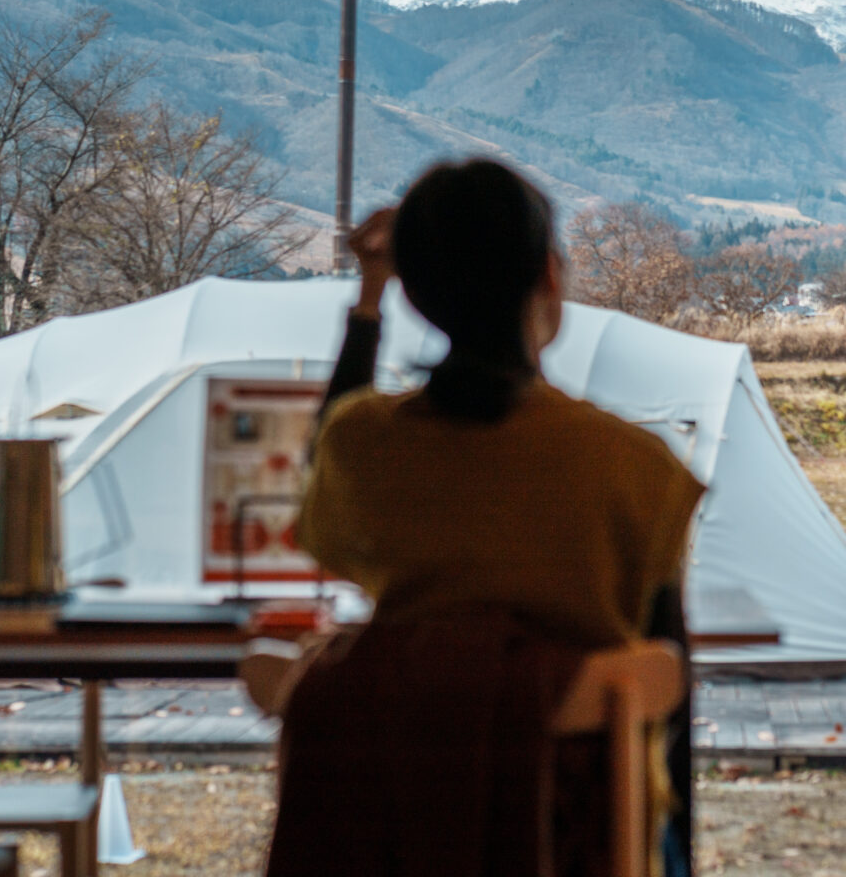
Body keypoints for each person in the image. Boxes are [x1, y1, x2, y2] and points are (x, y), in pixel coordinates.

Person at [267, 158, 703, 877]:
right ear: (551, 277)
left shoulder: (367, 446)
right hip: (583, 835)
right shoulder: (634, 466)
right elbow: (669, 690)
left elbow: (325, 458)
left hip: (394, 829)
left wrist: (370, 299)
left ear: (418, 294)